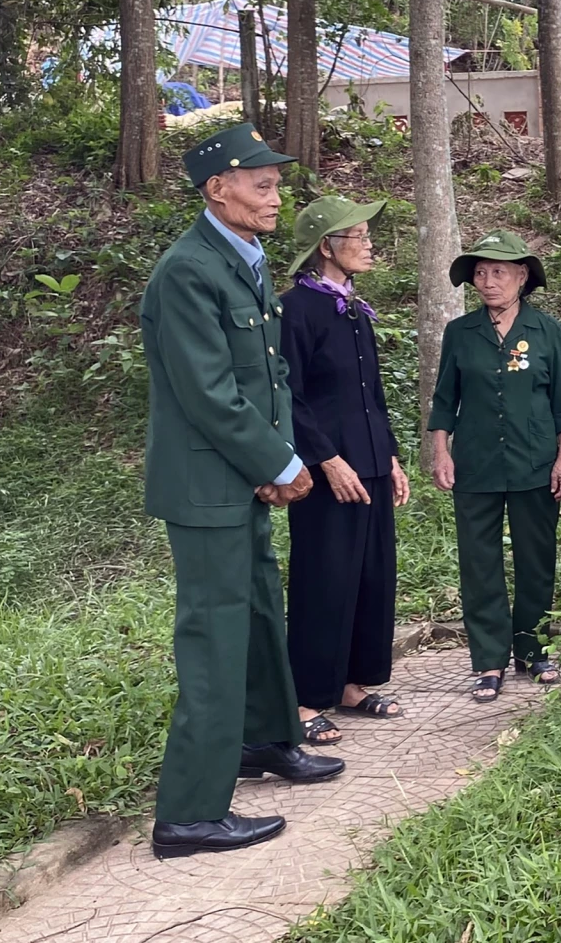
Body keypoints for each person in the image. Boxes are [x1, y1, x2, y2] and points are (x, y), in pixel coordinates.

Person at [139, 123, 344, 860]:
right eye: (261, 184)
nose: (274, 196)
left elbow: (270, 375)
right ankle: (189, 815)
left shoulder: (244, 259)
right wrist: (277, 462)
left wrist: (279, 457)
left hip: (244, 478)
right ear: (215, 188)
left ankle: (265, 739)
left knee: (258, 615)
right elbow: (208, 392)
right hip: (206, 487)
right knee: (215, 638)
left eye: (277, 183)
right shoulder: (187, 271)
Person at [279, 195, 411, 748]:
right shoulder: (297, 310)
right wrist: (325, 459)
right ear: (325, 247)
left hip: (370, 461)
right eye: (356, 236)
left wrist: (392, 455)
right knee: (325, 577)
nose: (368, 243)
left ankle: (354, 685)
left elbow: (371, 394)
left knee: (372, 574)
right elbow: (288, 393)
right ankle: (306, 697)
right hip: (327, 467)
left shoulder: (354, 309)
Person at [426, 231, 561, 703]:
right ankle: (489, 660)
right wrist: (440, 450)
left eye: (498, 272)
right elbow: (444, 400)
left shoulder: (546, 331)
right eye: (480, 273)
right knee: (480, 562)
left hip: (534, 461)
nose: (487, 281)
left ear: (522, 277)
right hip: (475, 462)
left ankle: (533, 650)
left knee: (536, 558)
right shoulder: (461, 333)